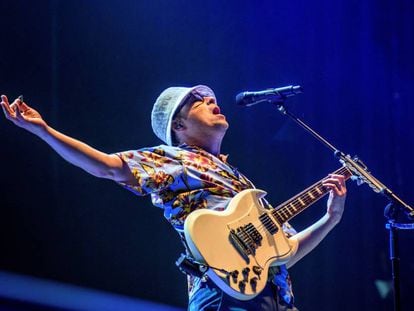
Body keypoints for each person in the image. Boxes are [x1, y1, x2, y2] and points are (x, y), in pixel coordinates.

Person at [1, 85, 347, 310]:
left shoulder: (243, 186)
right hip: (223, 297)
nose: (212, 100)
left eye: (211, 97)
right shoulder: (173, 158)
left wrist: (329, 219)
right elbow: (107, 166)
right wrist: (44, 130)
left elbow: (282, 255)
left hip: (275, 299)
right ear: (178, 127)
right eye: (198, 101)